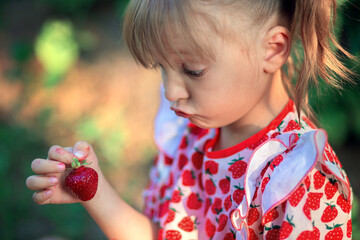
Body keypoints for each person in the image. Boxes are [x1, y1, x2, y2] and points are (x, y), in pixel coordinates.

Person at [26, 0, 355, 239]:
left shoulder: (298, 183)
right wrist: (94, 192)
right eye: (161, 67)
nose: (170, 91)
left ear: (272, 49)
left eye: (192, 70)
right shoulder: (191, 132)